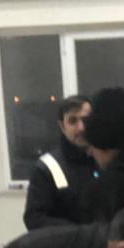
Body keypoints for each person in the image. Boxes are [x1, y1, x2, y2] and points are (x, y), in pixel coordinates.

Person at [23, 94, 98, 230]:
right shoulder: (46, 167)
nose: (81, 127)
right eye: (73, 121)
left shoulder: (106, 160)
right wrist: (79, 233)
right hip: (67, 243)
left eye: (86, 120)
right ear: (62, 126)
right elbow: (34, 218)